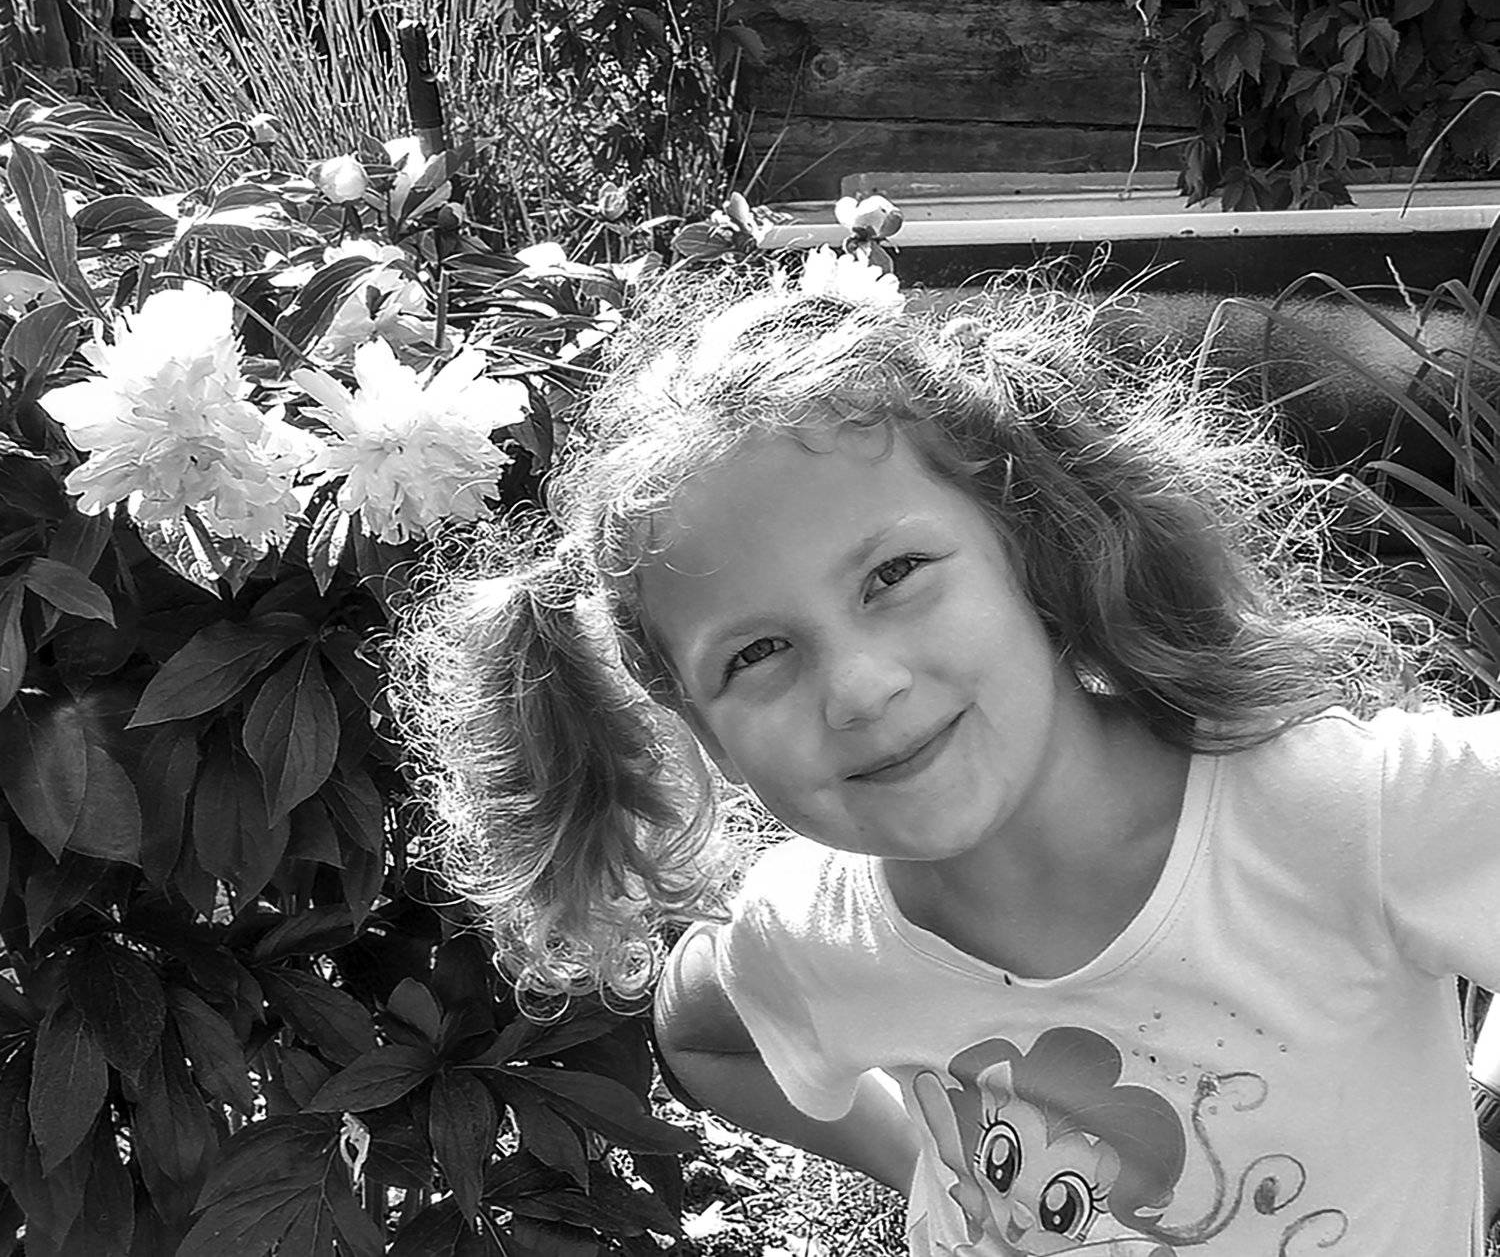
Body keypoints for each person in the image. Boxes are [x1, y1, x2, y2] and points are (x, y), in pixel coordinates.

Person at [392, 257, 1500, 1256]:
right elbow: (698, 1030)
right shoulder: (812, 928)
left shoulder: (1341, 817)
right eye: (757, 653)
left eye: (894, 574)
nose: (858, 685)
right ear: (704, 735)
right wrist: (930, 1174)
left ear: (1034, 546)